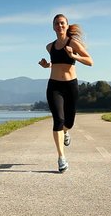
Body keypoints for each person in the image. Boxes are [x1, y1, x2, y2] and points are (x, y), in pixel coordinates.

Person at [38, 14, 93, 172]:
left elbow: (90, 61)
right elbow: (54, 64)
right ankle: (61, 157)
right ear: (53, 27)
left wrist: (73, 55)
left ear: (67, 26)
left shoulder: (73, 43)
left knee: (69, 122)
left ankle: (66, 132)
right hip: (54, 86)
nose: (59, 26)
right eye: (57, 24)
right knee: (58, 120)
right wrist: (45, 65)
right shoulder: (50, 46)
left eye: (62, 23)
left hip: (71, 86)